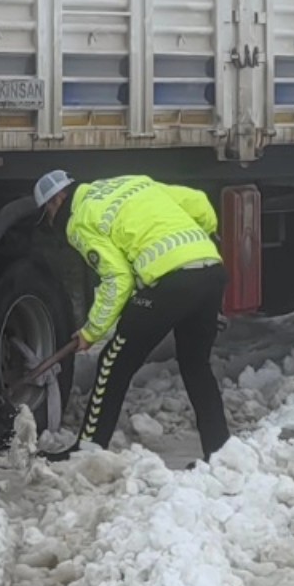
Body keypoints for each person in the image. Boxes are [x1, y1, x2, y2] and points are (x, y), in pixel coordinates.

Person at [35, 169, 229, 458]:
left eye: (48, 215)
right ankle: (221, 453)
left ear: (57, 200)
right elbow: (198, 202)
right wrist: (201, 240)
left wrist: (92, 331)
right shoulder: (132, 183)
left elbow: (117, 279)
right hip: (211, 271)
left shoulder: (79, 220)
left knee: (114, 361)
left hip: (170, 284)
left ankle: (88, 449)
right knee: (196, 365)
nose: (52, 223)